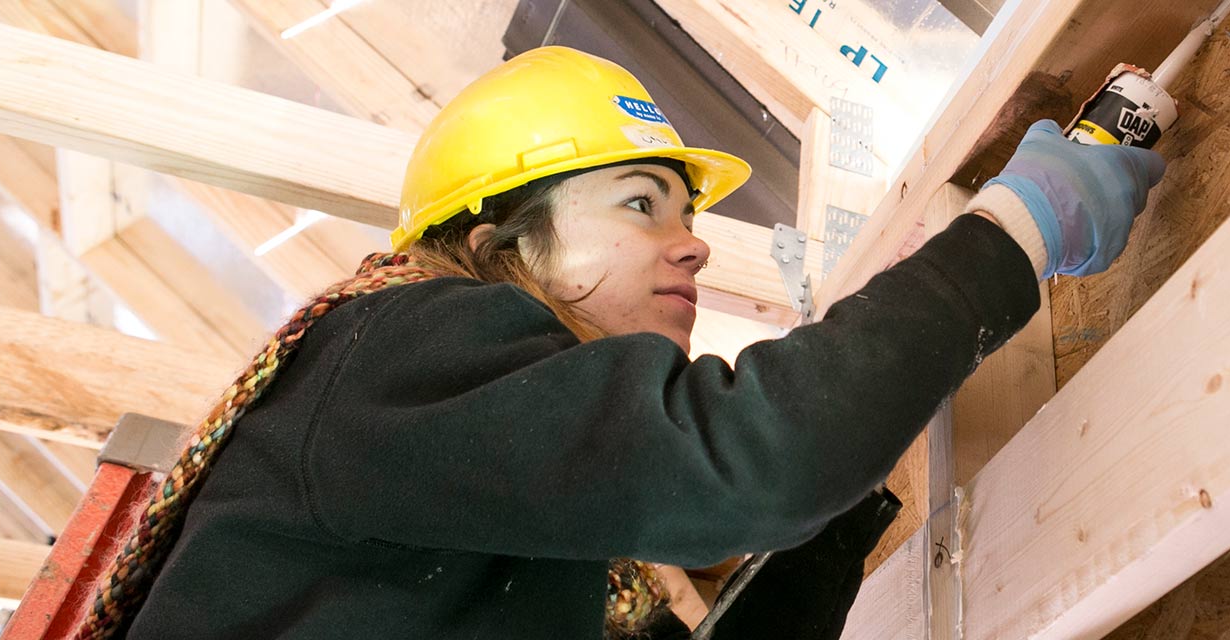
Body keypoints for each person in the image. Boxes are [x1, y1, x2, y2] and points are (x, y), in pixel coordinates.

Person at [80, 47, 1164, 639]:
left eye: (686, 219)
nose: (693, 250)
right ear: (502, 238)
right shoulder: (393, 346)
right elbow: (750, 457)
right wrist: (1016, 233)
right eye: (643, 204)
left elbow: (759, 475)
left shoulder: (511, 517)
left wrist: (860, 458)